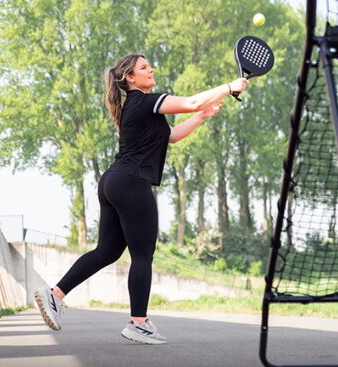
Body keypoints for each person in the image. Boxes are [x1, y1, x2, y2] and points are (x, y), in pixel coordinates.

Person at [34, 54, 247, 345]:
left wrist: (201, 117)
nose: (151, 69)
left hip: (112, 182)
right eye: (144, 67)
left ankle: (55, 295)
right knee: (143, 254)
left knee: (107, 251)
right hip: (132, 183)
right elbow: (194, 101)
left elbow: (169, 136)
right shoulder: (147, 101)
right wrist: (229, 86)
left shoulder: (136, 108)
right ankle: (138, 323)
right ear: (130, 78)